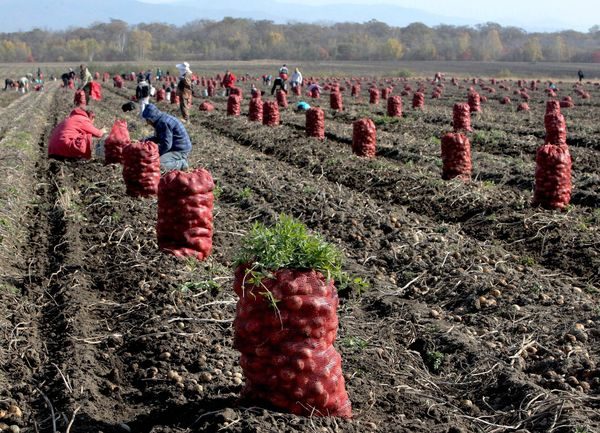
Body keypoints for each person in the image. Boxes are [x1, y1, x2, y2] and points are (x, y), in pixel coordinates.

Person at [142, 104, 191, 171]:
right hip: (175, 147)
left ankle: (182, 163)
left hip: (180, 149)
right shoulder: (161, 119)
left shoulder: (163, 123)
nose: (147, 123)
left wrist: (155, 154)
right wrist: (143, 141)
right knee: (156, 160)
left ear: (151, 118)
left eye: (147, 120)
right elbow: (158, 138)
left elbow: (166, 145)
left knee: (157, 164)